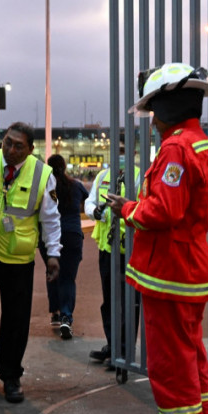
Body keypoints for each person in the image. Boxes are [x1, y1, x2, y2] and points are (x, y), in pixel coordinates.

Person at [106, 63, 208, 414]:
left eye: (154, 108)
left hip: (169, 277)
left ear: (168, 108)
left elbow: (162, 212)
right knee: (194, 373)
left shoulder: (175, 148)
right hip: (188, 274)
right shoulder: (202, 143)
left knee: (172, 379)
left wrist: (127, 209)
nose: (152, 119)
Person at [0, 122, 61, 403]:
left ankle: (10, 375)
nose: (10, 149)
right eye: (7, 142)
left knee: (16, 318)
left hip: (18, 257)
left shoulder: (44, 175)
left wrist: (53, 254)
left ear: (31, 149)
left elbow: (51, 219)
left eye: (19, 146)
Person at [84, 150, 141, 366]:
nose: (118, 157)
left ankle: (124, 351)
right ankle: (112, 345)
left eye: (122, 152)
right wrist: (94, 211)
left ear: (132, 154)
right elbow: (89, 202)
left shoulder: (138, 176)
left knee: (130, 302)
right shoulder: (102, 177)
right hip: (108, 248)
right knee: (109, 300)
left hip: (131, 250)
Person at [38, 154, 88, 339]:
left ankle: (55, 313)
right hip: (73, 235)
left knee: (52, 272)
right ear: (65, 167)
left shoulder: (45, 186)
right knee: (68, 277)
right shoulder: (76, 185)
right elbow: (85, 203)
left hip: (49, 236)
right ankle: (67, 316)